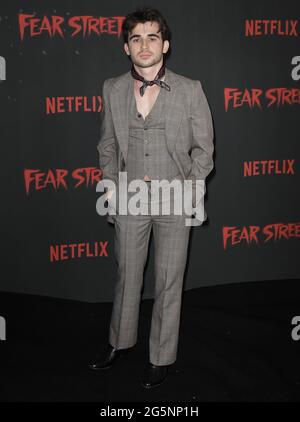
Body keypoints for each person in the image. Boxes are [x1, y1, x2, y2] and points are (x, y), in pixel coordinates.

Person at [89, 7, 214, 389]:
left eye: (152, 37)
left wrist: (189, 188)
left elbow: (204, 149)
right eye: (136, 38)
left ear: (166, 44)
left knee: (168, 281)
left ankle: (160, 356)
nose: (144, 45)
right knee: (127, 276)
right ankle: (120, 343)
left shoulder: (190, 88)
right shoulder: (112, 88)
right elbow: (107, 145)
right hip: (129, 198)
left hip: (175, 197)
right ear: (127, 47)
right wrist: (111, 185)